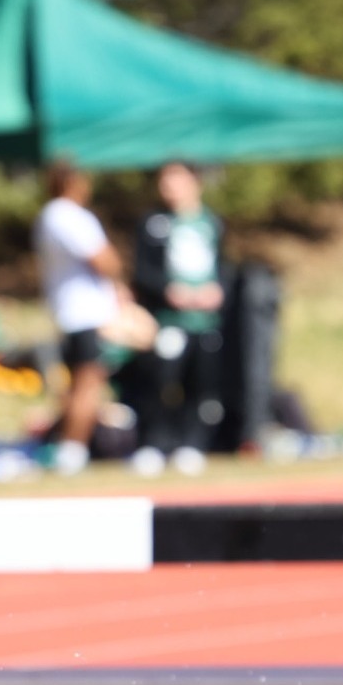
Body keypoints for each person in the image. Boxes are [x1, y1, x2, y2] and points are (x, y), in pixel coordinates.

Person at [128, 160, 225, 475]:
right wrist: (168, 291)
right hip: (168, 320)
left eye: (176, 180)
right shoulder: (153, 223)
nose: (169, 187)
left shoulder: (211, 222)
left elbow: (223, 266)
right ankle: (154, 444)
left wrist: (216, 291)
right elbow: (142, 272)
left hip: (205, 321)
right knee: (161, 381)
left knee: (201, 384)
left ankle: (192, 445)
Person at [33, 159, 125, 476]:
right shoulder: (67, 215)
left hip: (71, 312)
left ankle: (69, 445)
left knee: (79, 383)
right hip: (84, 313)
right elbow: (103, 259)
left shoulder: (51, 216)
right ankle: (72, 448)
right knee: (88, 383)